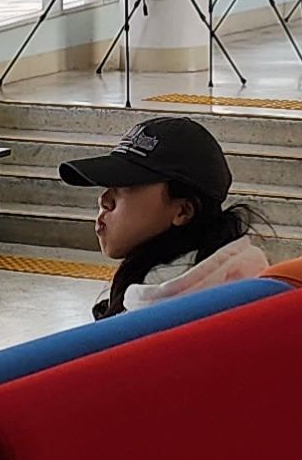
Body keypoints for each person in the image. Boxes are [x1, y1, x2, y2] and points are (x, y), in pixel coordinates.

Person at [57, 113, 271, 320]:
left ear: (183, 211)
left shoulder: (149, 320)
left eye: (126, 185)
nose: (104, 200)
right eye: (109, 185)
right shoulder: (247, 279)